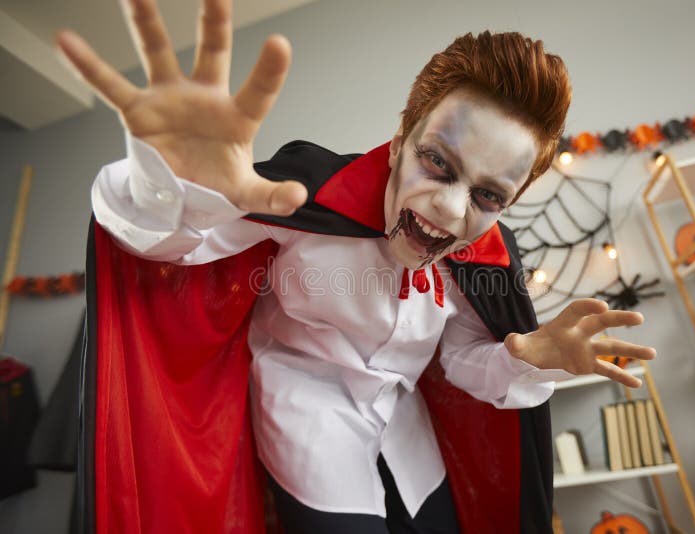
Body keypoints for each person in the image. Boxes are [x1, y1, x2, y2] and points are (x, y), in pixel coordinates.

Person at [57, 1, 656, 533]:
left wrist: (524, 357)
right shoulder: (305, 195)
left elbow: (459, 360)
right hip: (305, 434)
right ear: (399, 142)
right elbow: (168, 248)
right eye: (437, 164)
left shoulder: (483, 259)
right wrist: (173, 179)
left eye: (488, 196)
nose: (449, 209)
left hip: (410, 441)